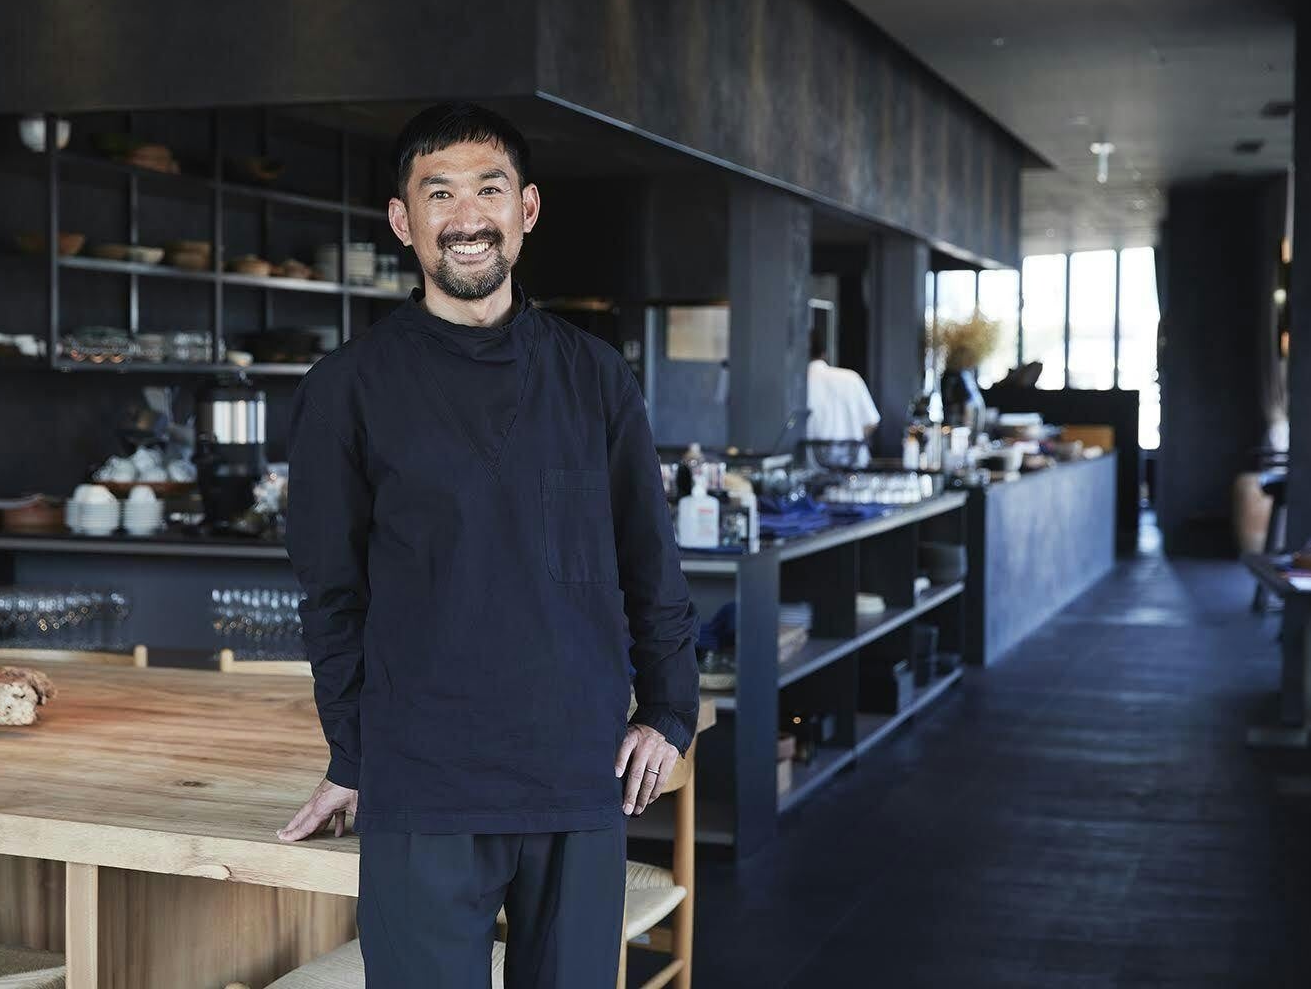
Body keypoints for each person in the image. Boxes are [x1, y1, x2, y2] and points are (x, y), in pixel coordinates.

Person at [277, 102, 701, 989]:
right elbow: (331, 594)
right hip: (422, 782)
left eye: (489, 189)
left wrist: (669, 707)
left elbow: (649, 559)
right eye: (439, 194)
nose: (466, 217)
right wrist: (353, 753)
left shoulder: (595, 376)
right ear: (403, 221)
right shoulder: (347, 388)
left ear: (526, 208)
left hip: (577, 773)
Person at [804, 327, 880, 464]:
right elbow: (872, 422)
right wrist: (849, 441)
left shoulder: (800, 386)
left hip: (812, 469)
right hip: (855, 469)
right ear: (824, 353)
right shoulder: (851, 378)